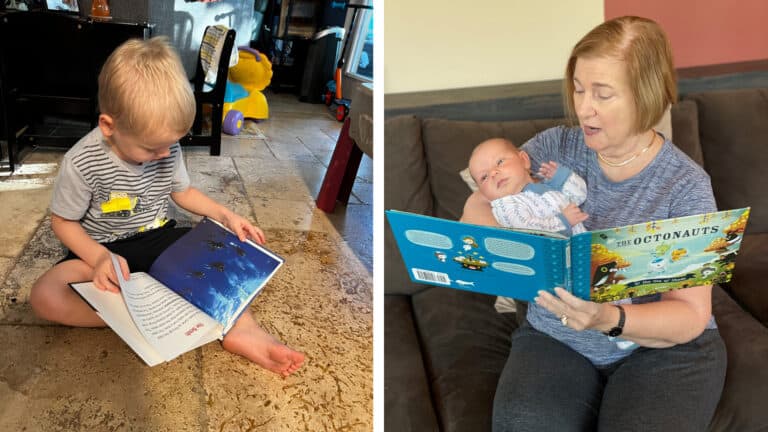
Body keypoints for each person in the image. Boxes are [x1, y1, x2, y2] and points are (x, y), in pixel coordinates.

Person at [461, 17, 726, 431]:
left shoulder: (686, 186)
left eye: (602, 94)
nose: (584, 108)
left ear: (646, 96)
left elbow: (690, 314)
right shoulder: (553, 146)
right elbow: (478, 204)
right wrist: (501, 244)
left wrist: (609, 319)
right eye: (580, 89)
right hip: (555, 337)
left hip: (662, 349)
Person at [29, 37, 305, 377]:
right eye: (152, 149)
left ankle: (243, 330)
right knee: (45, 295)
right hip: (99, 251)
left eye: (172, 145)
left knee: (218, 254)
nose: (165, 155)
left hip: (157, 237)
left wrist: (225, 215)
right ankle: (134, 318)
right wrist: (99, 258)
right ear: (108, 127)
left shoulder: (165, 146)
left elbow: (183, 192)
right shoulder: (82, 162)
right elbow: (63, 223)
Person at [468, 137, 589, 237]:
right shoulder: (506, 206)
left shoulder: (548, 187)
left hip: (586, 248)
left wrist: (562, 177)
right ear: (484, 193)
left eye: (499, 162)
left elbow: (579, 196)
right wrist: (564, 222)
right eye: (484, 177)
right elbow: (531, 232)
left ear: (524, 160)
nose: (493, 173)